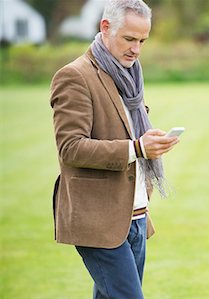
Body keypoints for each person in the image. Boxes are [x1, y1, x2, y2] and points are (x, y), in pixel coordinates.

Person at [50, 0, 179, 298]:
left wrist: (149, 142)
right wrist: (137, 147)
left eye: (143, 41)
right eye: (130, 39)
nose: (136, 49)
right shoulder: (74, 77)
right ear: (105, 28)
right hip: (97, 219)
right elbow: (71, 148)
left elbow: (128, 130)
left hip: (135, 216)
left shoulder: (130, 75)